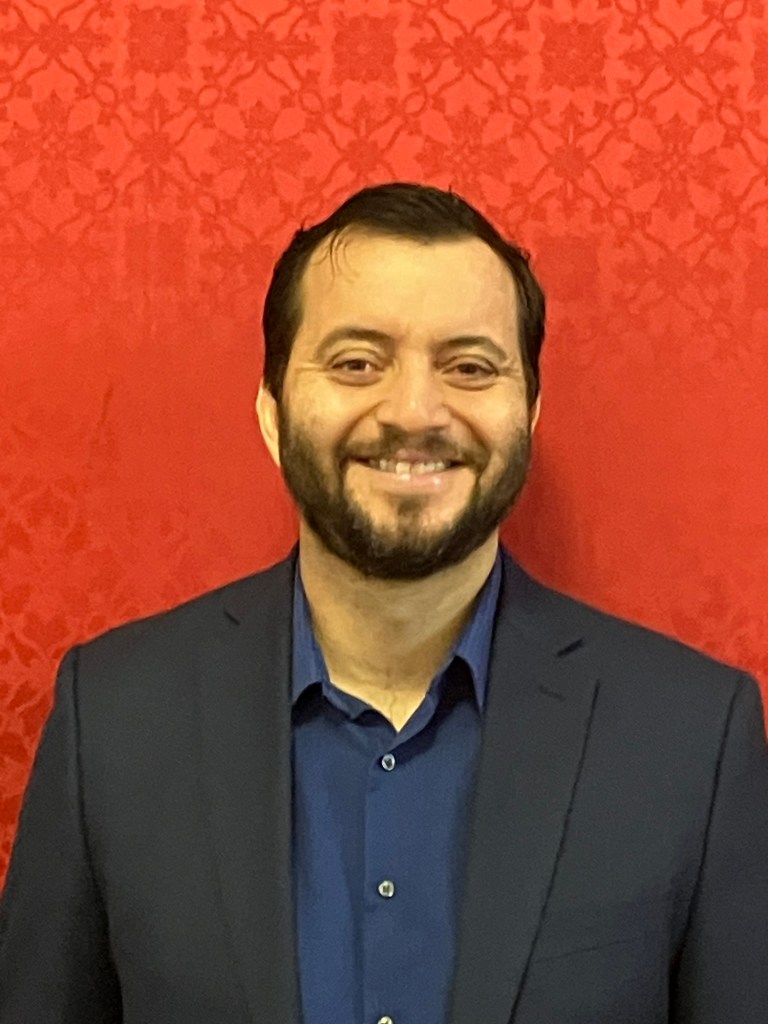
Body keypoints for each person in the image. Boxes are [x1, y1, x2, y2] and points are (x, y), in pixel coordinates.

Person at [1, 183, 767, 1024]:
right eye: (357, 363)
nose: (414, 412)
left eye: (469, 367)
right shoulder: (114, 718)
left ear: (530, 413)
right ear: (271, 411)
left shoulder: (693, 737)